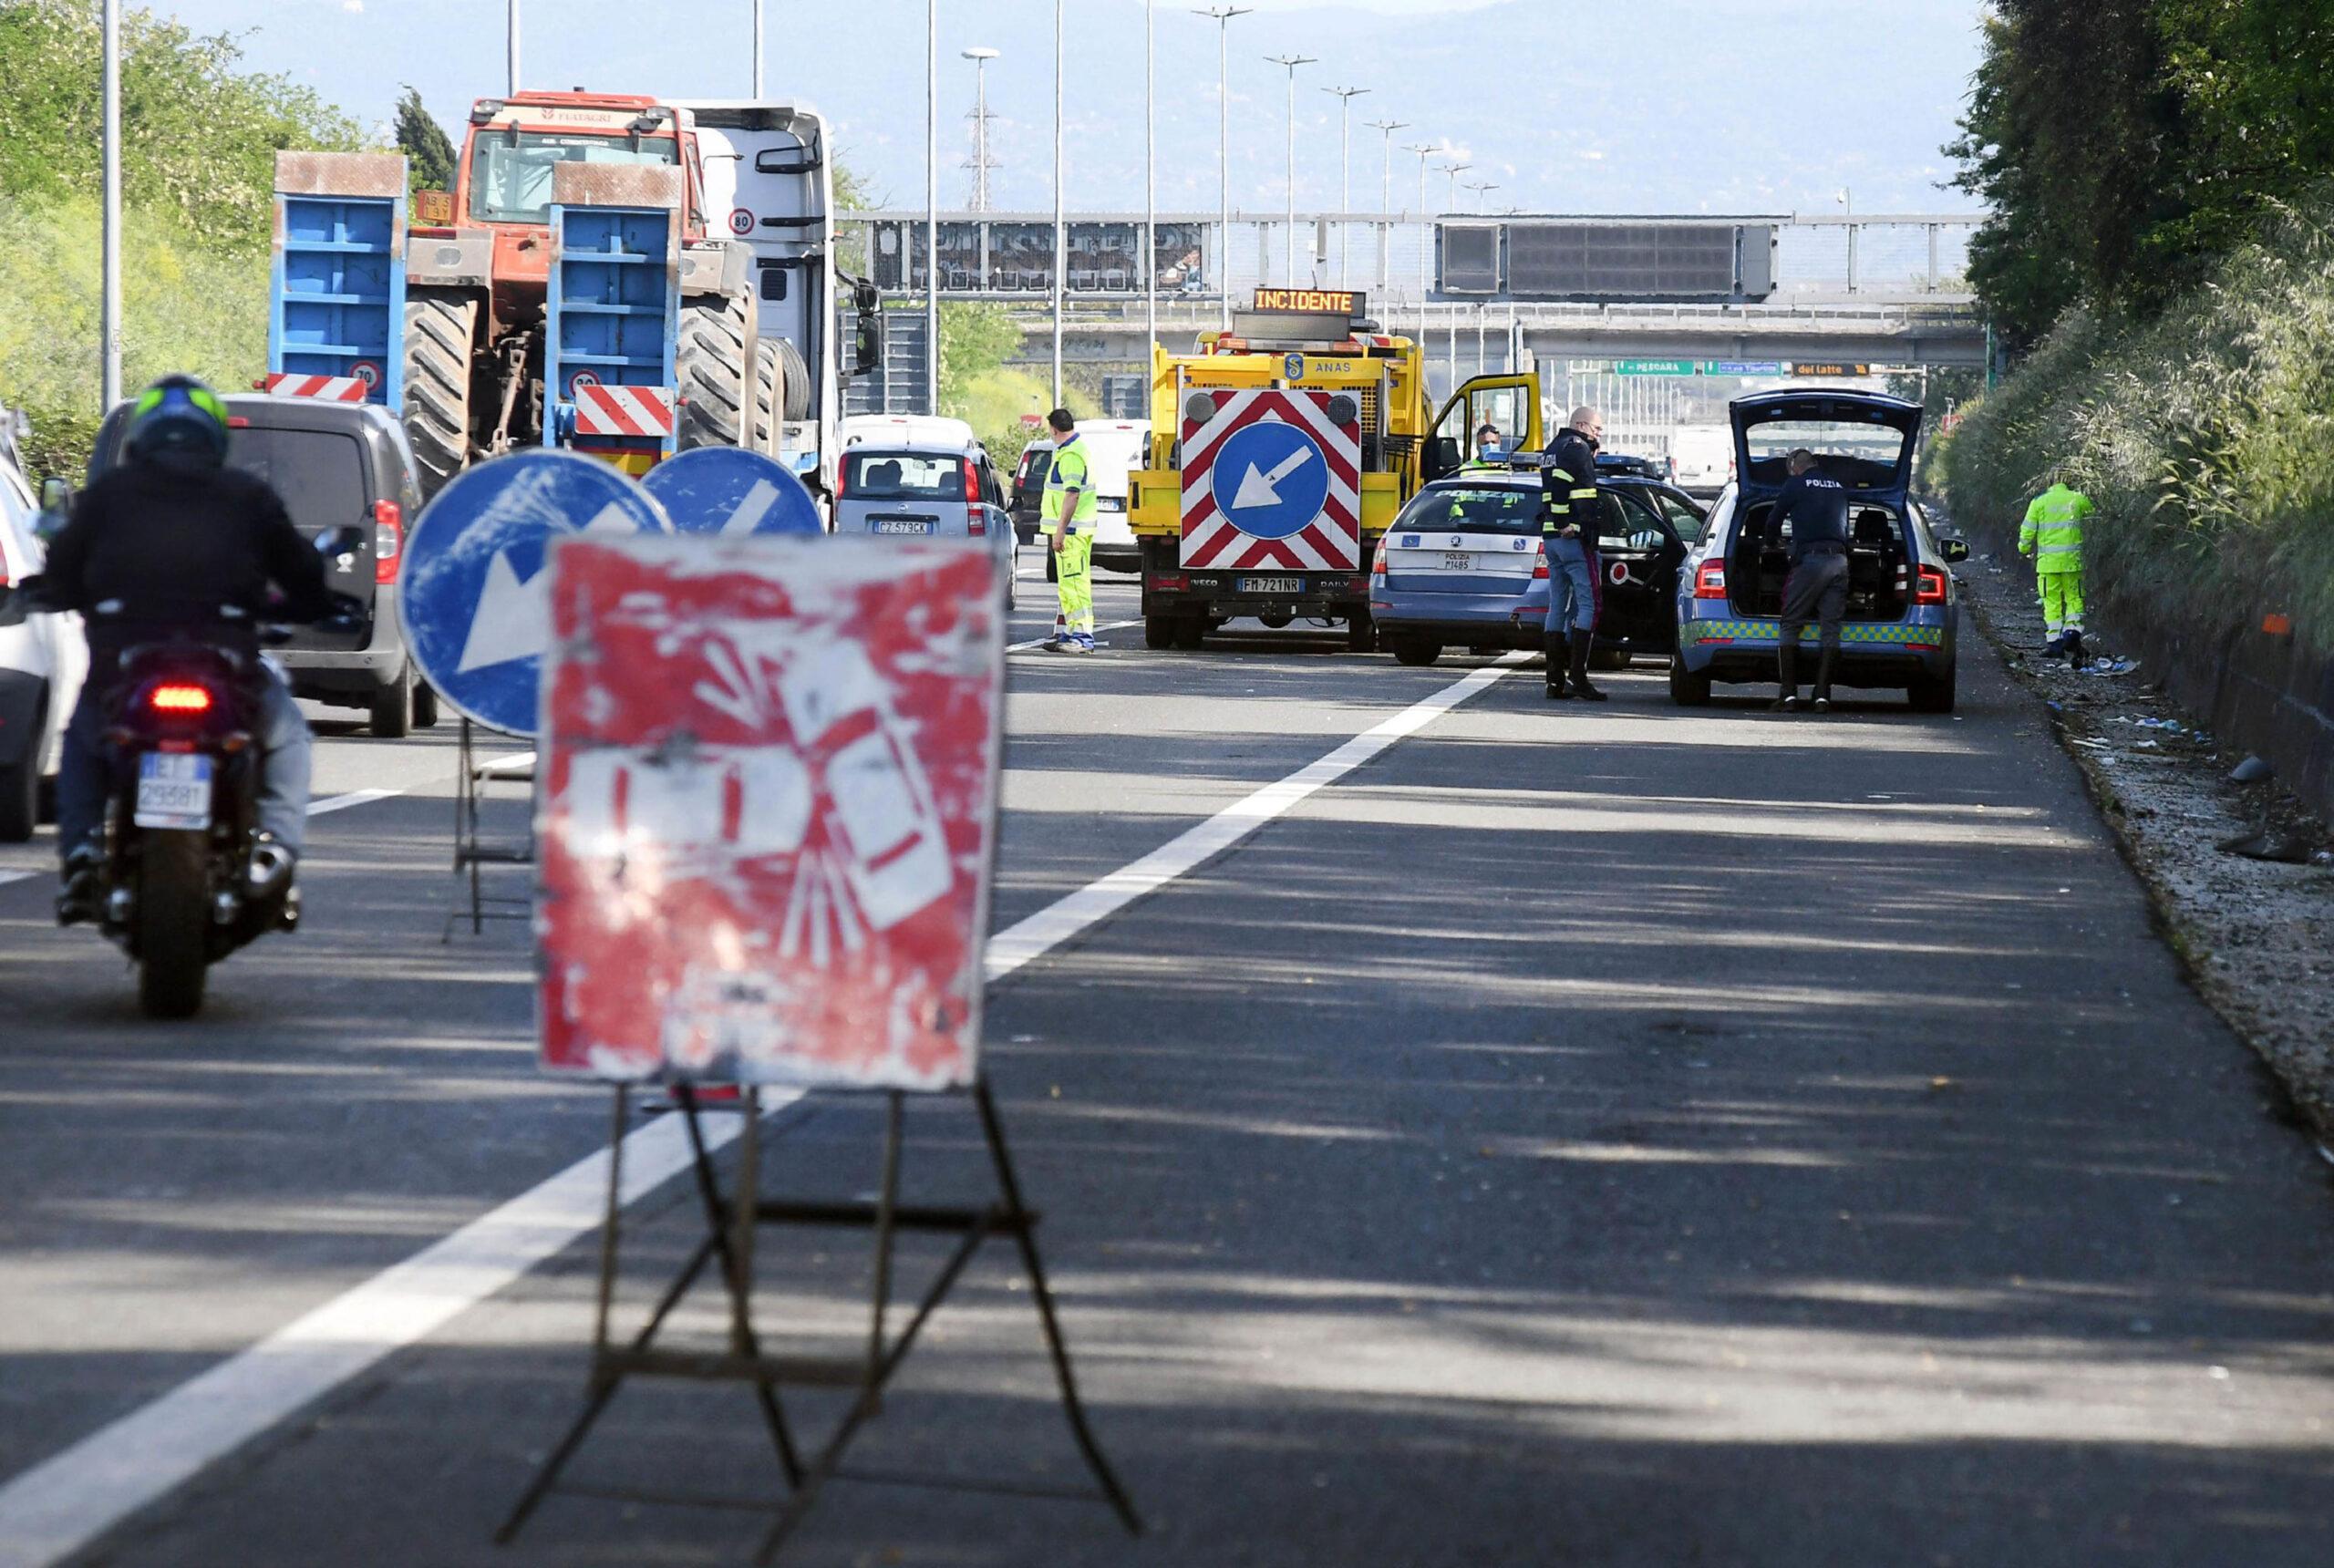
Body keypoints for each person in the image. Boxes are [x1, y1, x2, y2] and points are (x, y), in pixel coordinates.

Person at [39, 375, 349, 923]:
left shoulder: (108, 495)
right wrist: (320, 603)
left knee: (85, 737)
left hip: (125, 666)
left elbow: (61, 571)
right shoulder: (246, 495)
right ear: (213, 437)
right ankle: (274, 846)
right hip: (224, 663)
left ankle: (83, 852)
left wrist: (43, 596)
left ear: (142, 436)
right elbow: (300, 571)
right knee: (286, 734)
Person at [1766, 447, 1851, 711]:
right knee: (1831, 628)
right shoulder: (1838, 485)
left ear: (1794, 466)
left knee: (1790, 623)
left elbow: (1773, 520)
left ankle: (1789, 694)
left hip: (1811, 562)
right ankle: (1823, 695)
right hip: (1839, 562)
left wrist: (1772, 542)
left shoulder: (1795, 484)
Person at [1539, 405, 1607, 701]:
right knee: (1590, 604)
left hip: (1551, 539)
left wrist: (1556, 523)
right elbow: (1574, 494)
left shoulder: (1552, 448)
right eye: (1596, 429)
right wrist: (1572, 525)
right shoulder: (1577, 448)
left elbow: (1552, 490)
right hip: (1572, 539)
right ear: (1581, 425)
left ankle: (1554, 681)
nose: (1598, 434)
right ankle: (1578, 676)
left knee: (1557, 606)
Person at [1037, 407, 1097, 653]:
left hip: (1071, 532)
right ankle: (1071, 631)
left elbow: (1072, 494)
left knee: (1074, 584)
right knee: (1069, 583)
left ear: (1053, 429)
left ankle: (1082, 636)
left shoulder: (1071, 454)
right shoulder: (1072, 450)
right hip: (1072, 531)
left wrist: (1060, 530)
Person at [2019, 477, 2093, 664]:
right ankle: (2072, 632)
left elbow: (2027, 530)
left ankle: (2055, 645)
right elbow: (2094, 516)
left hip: (2048, 565)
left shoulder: (2039, 501)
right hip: (2073, 563)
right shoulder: (2078, 498)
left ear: (2049, 483)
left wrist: (2024, 548)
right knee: (2074, 597)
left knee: (2051, 603)